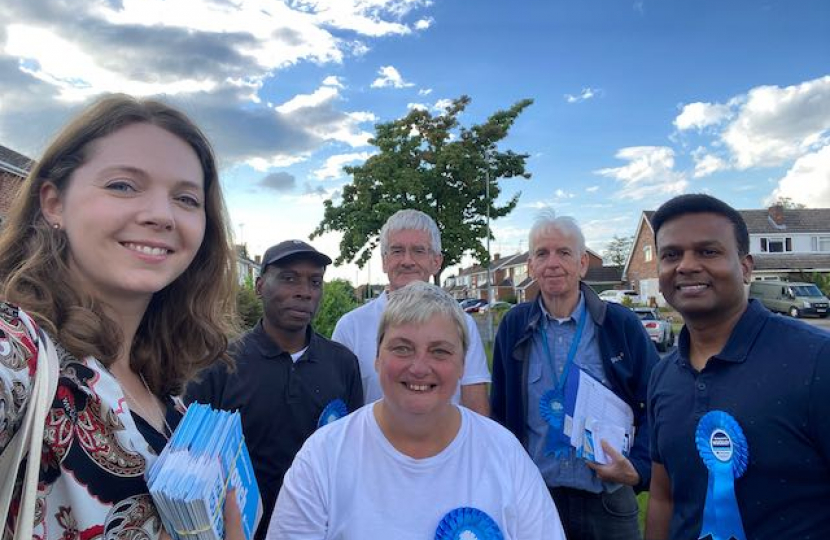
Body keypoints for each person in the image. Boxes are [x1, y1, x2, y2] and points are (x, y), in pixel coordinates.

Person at [0, 95, 244, 539]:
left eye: (186, 198)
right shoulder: (18, 351)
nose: (160, 215)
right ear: (54, 203)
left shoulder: (164, 391)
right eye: (122, 186)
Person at [267, 281, 564, 539]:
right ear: (376, 358)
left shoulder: (506, 455)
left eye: (440, 351)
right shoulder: (322, 456)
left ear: (462, 365)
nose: (420, 367)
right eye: (402, 348)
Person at [645, 194, 830, 540]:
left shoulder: (817, 360)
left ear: (746, 267)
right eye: (671, 255)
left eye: (707, 252)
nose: (686, 265)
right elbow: (663, 498)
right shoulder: (663, 376)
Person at [491, 209, 659, 540]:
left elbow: (658, 403)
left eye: (564, 252)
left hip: (607, 501)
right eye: (542, 253)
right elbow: (500, 411)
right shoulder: (513, 326)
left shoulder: (620, 325)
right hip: (536, 500)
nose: (553, 263)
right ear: (531, 267)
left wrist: (639, 468)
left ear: (582, 264)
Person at [186, 239, 363, 540]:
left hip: (319, 529)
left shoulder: (343, 363)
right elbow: (191, 463)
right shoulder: (219, 365)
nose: (304, 291)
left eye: (314, 282)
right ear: (259, 286)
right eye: (289, 278)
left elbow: (354, 454)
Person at [332, 209, 491, 415]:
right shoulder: (350, 327)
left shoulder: (462, 323)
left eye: (418, 251)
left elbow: (476, 408)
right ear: (384, 261)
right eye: (397, 251)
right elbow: (339, 410)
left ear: (436, 262)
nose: (407, 261)